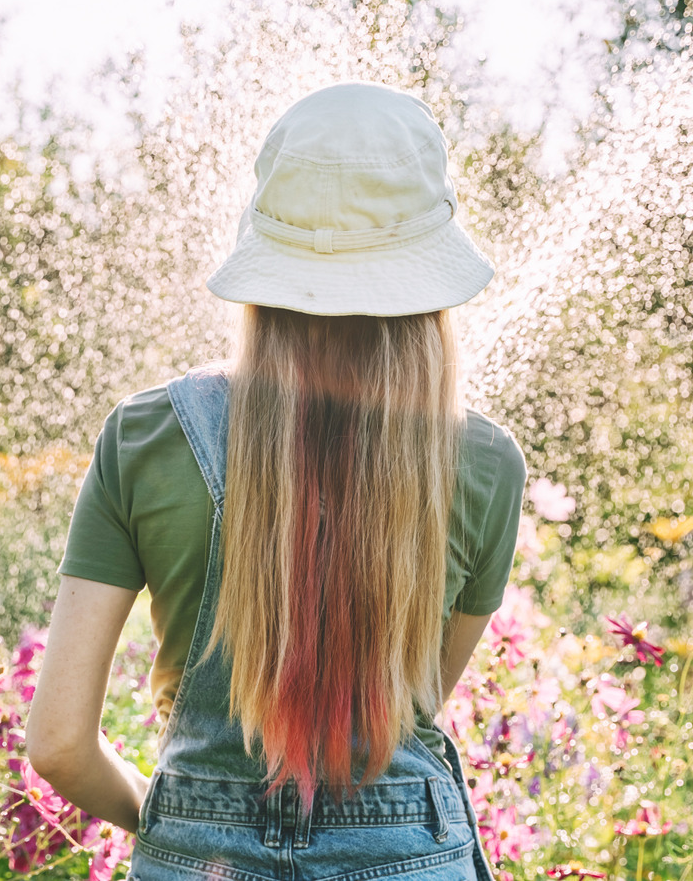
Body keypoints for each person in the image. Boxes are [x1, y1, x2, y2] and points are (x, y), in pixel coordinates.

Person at [26, 81, 528, 881]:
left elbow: (57, 743)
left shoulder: (146, 438)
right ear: (428, 289)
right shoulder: (485, 465)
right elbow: (417, 704)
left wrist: (177, 823)